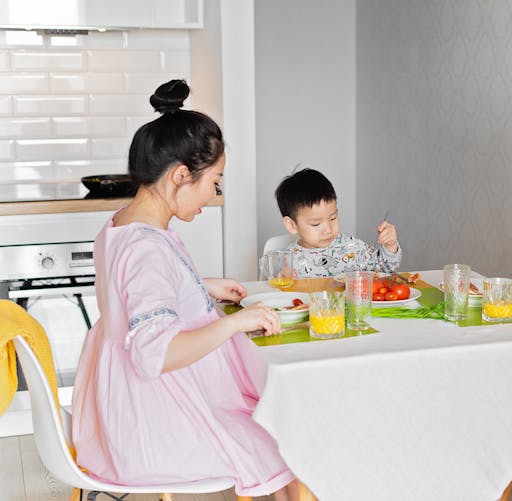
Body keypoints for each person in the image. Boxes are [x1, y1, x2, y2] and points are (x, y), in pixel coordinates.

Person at [71, 80, 298, 500]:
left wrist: (201, 286)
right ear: (180, 175)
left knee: (274, 424)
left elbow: (134, 296)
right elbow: (156, 353)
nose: (213, 195)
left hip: (121, 409)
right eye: (214, 182)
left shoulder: (125, 225)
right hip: (152, 425)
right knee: (285, 441)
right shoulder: (146, 248)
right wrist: (237, 325)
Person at [274, 168, 402, 278]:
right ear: (291, 225)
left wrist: (390, 246)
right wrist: (284, 281)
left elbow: (386, 271)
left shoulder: (353, 248)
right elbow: (279, 297)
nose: (328, 230)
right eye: (316, 224)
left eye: (333, 218)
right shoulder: (288, 260)